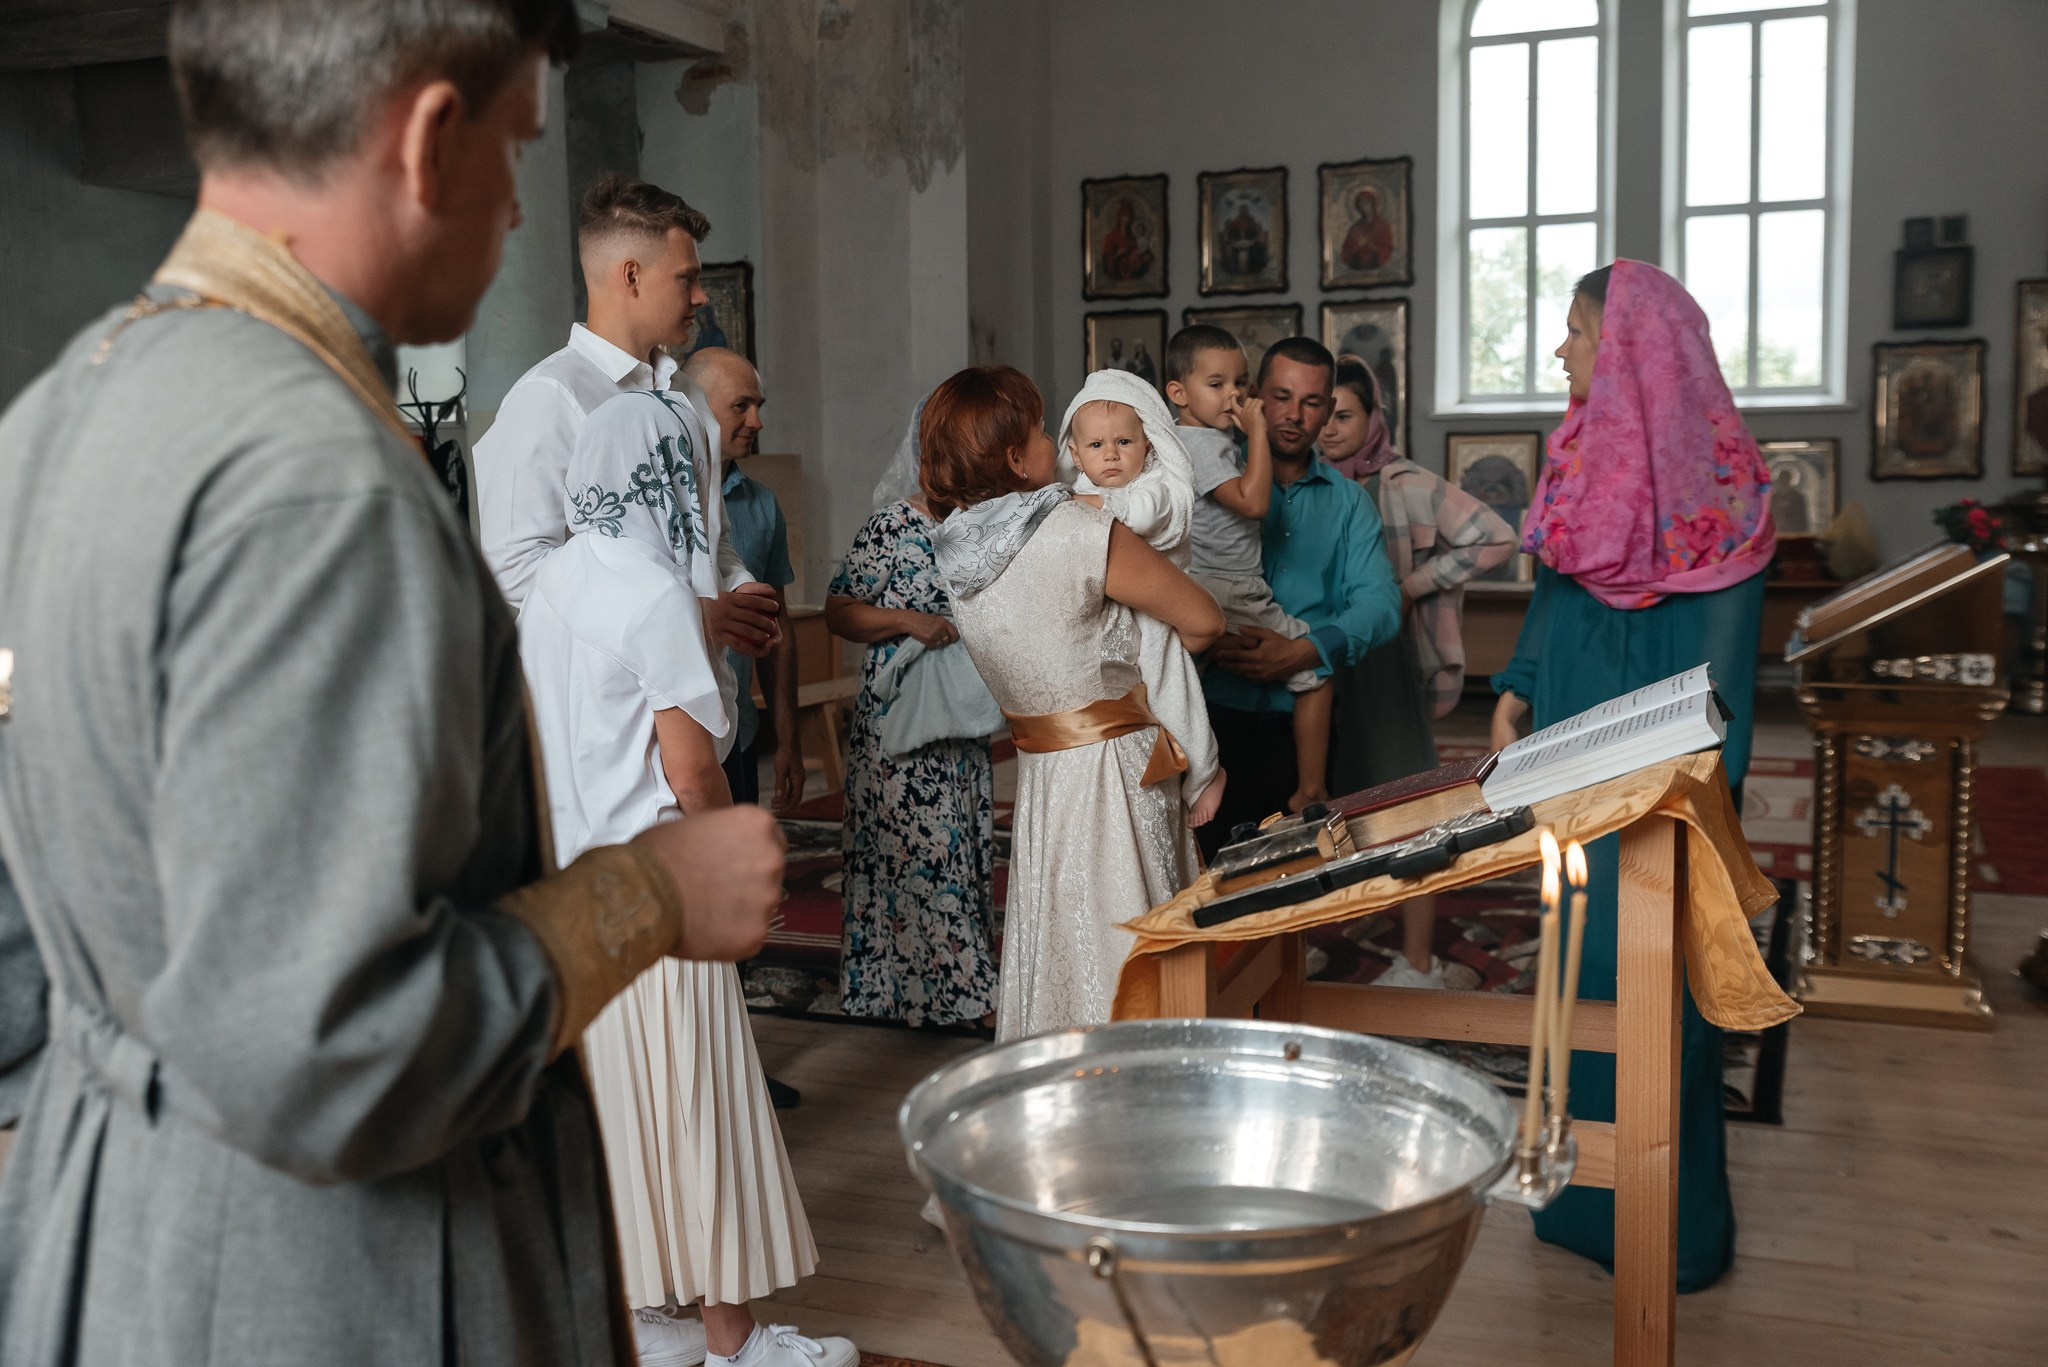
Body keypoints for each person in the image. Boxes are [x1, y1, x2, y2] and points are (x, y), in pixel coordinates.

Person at [0, 5, 785, 1365]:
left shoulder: (59, 410)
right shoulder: (317, 480)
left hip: (115, 1224)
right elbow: (333, 1040)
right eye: (513, 149)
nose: (515, 220)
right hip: (331, 1273)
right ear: (431, 138)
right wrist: (656, 889)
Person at [522, 390, 855, 1367]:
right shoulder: (656, 594)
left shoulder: (554, 579)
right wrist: (733, 865)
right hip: (668, 885)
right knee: (701, 1109)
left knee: (624, 1110)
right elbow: (689, 764)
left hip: (581, 888)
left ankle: (644, 1318)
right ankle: (735, 1341)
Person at [1491, 260, 1776, 1292]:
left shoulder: (1722, 499)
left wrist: (1693, 795)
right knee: (1572, 974)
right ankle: (1579, 1202)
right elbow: (1554, 604)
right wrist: (1517, 684)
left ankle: (1672, 1222)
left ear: (1627, 351)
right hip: (1570, 764)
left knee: (1652, 990)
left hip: (1660, 793)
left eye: (1574, 332)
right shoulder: (1580, 467)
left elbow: (1721, 682)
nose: (1561, 350)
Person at [924, 367, 1224, 1040]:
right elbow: (1205, 619)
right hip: (1114, 764)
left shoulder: (955, 550)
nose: (1050, 443)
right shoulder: (1080, 530)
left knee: (1061, 937)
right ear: (1013, 456)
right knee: (1129, 930)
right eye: (1037, 430)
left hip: (1043, 770)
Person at [474, 174, 780, 661]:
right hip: (606, 707)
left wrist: (738, 590)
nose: (701, 297)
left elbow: (704, 538)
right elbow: (514, 573)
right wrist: (687, 616)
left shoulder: (689, 397)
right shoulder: (550, 397)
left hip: (700, 686)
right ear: (631, 275)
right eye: (687, 278)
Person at [1320, 358, 1515, 988]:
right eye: (1319, 413)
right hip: (1313, 666)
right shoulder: (1295, 483)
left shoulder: (1401, 483)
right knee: (1313, 806)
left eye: (1344, 415)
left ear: (1374, 418)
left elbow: (1495, 535)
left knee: (1409, 806)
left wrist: (1412, 585)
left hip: (1382, 668)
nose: (1328, 428)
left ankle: (1420, 961)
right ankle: (1298, 944)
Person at [825, 405, 1002, 1030]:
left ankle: (930, 993)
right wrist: (907, 620)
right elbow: (840, 610)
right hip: (900, 715)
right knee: (918, 850)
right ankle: (972, 998)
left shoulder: (985, 526)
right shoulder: (891, 526)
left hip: (960, 712)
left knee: (961, 848)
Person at [1199, 337, 1402, 851]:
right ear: (1254, 397)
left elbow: (1380, 604)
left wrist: (1304, 652)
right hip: (1208, 711)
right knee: (1202, 880)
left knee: (1294, 883)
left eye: (1311, 403)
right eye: (1281, 397)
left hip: (1300, 727)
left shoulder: (1351, 503)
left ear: (1329, 409)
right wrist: (1205, 639)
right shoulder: (1208, 477)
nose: (1293, 415)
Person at [1165, 324, 1335, 816]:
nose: (1234, 396)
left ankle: (1190, 776)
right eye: (1216, 385)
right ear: (1178, 392)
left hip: (1201, 580)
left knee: (1182, 682)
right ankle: (1309, 790)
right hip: (1228, 585)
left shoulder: (1199, 439)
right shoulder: (1201, 444)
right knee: (1317, 665)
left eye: (1240, 384)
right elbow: (1255, 502)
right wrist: (1257, 432)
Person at [1058, 368, 1224, 828]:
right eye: (1095, 446)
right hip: (1108, 615)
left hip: (1156, 611)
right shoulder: (1079, 492)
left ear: (1149, 443)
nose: (1110, 454)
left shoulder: (1152, 486)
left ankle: (1206, 771)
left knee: (1172, 687)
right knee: (1131, 704)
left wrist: (1090, 508)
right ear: (1074, 452)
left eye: (1124, 443)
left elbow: (1145, 516)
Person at [683, 347, 805, 813]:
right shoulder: (661, 499)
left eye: (759, 407)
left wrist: (788, 740)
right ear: (695, 404)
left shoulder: (761, 505)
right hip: (676, 733)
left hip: (740, 730)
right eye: (741, 406)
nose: (756, 421)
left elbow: (779, 626)